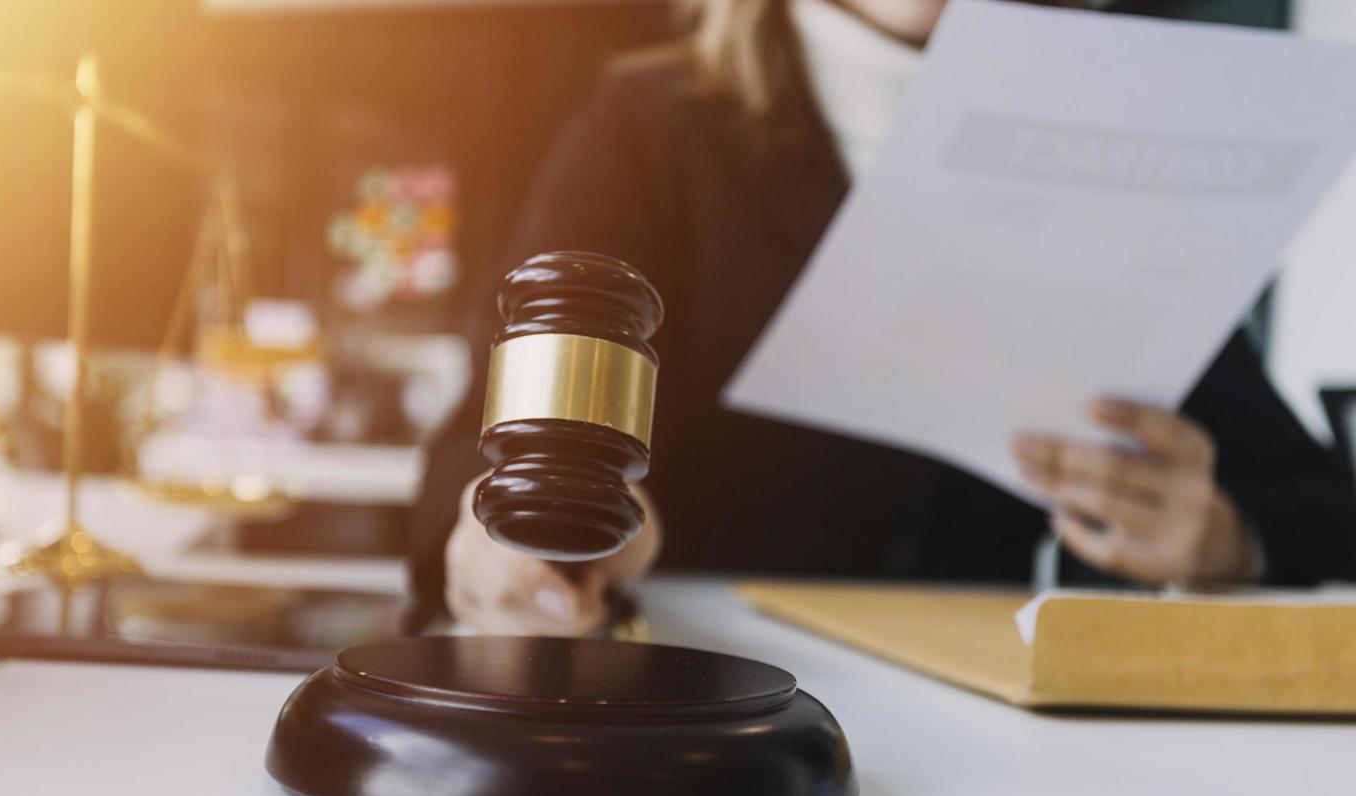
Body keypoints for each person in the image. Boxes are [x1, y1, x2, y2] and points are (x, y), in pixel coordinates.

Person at [410, 0, 1356, 636]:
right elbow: (468, 459)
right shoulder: (652, 125)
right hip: (707, 698)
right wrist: (538, 534)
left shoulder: (1100, 150)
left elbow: (1318, 506)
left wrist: (1226, 541)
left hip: (989, 723)